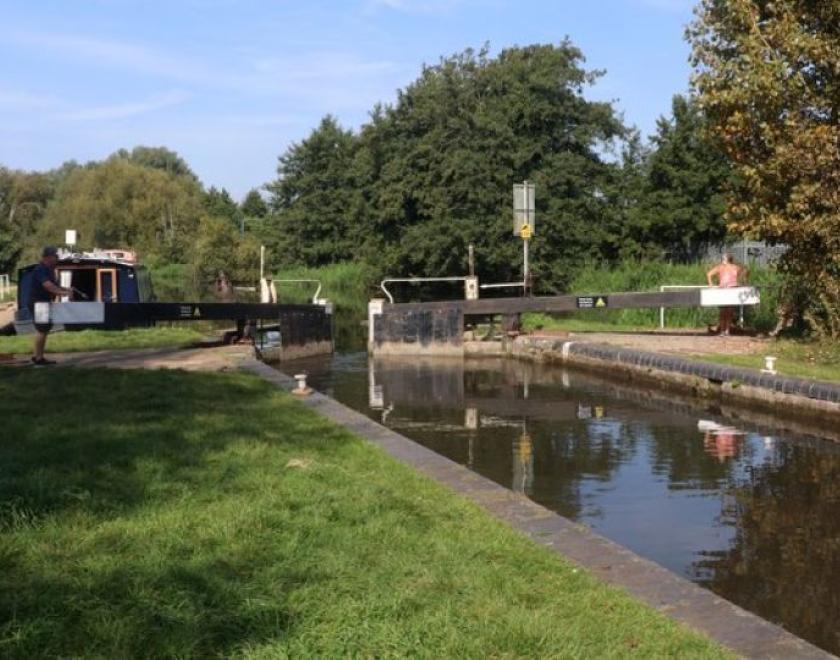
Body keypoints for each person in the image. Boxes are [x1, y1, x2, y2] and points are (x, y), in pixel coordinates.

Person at [29, 246, 72, 365]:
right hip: (38, 303)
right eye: (55, 256)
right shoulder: (41, 269)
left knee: (44, 329)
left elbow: (55, 285)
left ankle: (37, 355)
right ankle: (38, 359)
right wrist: (64, 293)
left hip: (44, 302)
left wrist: (66, 289)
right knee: (42, 329)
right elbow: (48, 286)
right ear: (48, 257)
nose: (57, 258)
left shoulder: (50, 270)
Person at [706, 252, 746, 336]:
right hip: (723, 290)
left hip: (732, 290)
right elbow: (709, 274)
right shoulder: (720, 267)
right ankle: (722, 330)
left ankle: (727, 330)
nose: (722, 260)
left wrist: (743, 282)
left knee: (729, 311)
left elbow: (745, 271)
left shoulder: (735, 267)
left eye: (724, 258)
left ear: (727, 259)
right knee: (723, 311)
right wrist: (710, 285)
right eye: (722, 258)